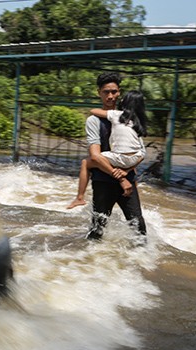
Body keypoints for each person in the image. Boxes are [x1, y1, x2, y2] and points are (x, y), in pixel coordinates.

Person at [70, 72, 147, 240]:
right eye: (106, 92)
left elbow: (139, 151)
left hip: (128, 179)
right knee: (97, 229)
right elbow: (95, 156)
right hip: (104, 181)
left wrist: (126, 172)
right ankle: (90, 262)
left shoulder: (129, 118)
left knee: (139, 228)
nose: (110, 96)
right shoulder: (94, 121)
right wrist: (121, 178)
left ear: (119, 92)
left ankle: (142, 264)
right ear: (99, 93)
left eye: (114, 91)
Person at [68, 89, 148, 205]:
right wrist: (126, 170)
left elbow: (93, 110)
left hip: (119, 159)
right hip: (135, 159)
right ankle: (125, 177)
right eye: (106, 92)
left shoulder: (117, 114)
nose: (111, 96)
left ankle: (79, 198)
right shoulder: (137, 123)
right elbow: (142, 153)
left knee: (87, 162)